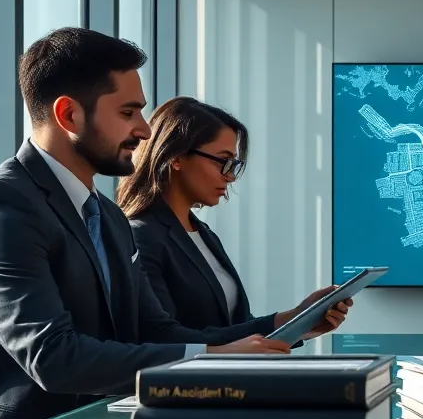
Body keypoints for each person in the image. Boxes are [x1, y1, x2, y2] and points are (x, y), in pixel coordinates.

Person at [0, 28, 343, 419]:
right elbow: (53, 358)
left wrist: (286, 324)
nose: (145, 130)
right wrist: (214, 359)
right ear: (69, 114)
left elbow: (155, 330)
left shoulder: (108, 217)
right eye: (128, 112)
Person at [116, 97, 350, 334]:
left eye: (233, 165)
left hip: (228, 371)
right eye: (224, 162)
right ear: (176, 157)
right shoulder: (139, 236)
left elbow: (235, 325)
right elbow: (164, 338)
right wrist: (290, 319)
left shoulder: (203, 234)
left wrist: (300, 322)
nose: (231, 176)